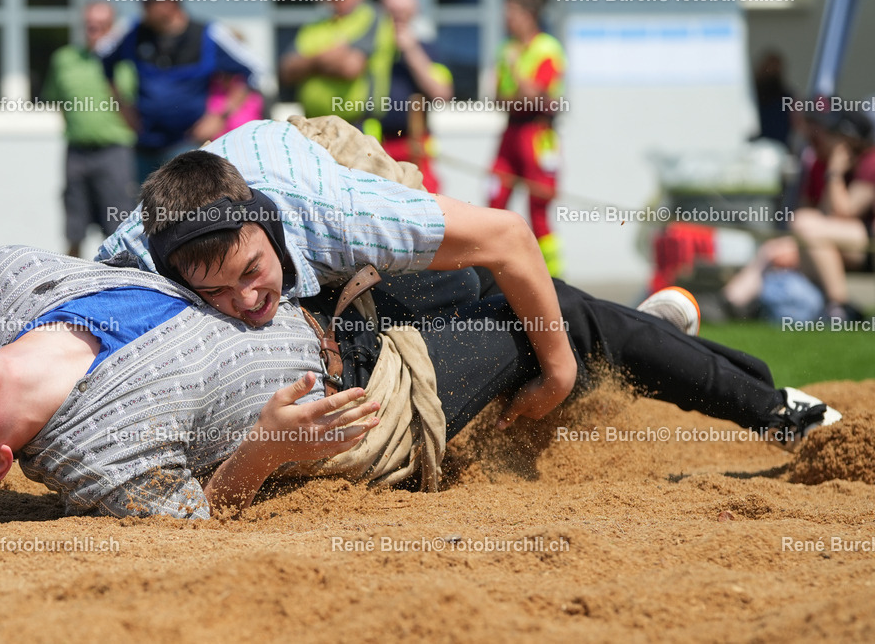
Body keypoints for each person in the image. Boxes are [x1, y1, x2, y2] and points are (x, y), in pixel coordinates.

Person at [0, 245, 841, 519]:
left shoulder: (2, 286)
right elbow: (199, 512)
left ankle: (665, 346)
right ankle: (790, 416)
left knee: (536, 284)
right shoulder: (90, 458)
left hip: (327, 296)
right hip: (368, 391)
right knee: (558, 322)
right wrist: (267, 450)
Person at [99, 116, 579, 421]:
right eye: (215, 290)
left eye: (250, 272)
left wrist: (558, 376)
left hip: (325, 155)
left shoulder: (340, 218)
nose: (245, 299)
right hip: (224, 172)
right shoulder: (131, 259)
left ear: (271, 233)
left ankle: (582, 337)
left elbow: (510, 235)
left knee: (465, 279)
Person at [99, 0, 264, 182]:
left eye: (148, 1)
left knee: (187, 212)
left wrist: (219, 116)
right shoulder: (133, 32)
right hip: (144, 146)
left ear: (171, 2)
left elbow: (254, 70)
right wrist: (121, 106)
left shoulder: (209, 33)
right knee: (147, 212)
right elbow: (103, 59)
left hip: (189, 147)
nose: (142, 6)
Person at [42, 0, 137, 257]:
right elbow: (57, 99)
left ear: (112, 27)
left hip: (115, 152)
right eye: (89, 26)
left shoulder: (128, 62)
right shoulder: (64, 60)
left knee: (119, 227)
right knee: (74, 226)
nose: (94, 32)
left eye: (101, 26)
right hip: (76, 152)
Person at [487, 0, 566, 277]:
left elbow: (536, 95)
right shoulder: (505, 49)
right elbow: (498, 98)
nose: (506, 19)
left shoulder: (547, 48)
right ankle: (494, 272)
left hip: (538, 134)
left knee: (539, 208)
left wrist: (517, 74)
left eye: (512, 13)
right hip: (511, 131)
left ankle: (553, 277)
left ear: (529, 16)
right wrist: (520, 91)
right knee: (495, 201)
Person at [278, 0, 396, 126]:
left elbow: (350, 67)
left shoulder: (373, 16)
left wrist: (308, 63)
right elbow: (286, 71)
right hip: (314, 128)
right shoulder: (315, 24)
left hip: (358, 128)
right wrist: (324, 59)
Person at [790, 111, 875, 321]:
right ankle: (836, 308)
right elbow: (826, 215)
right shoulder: (828, 165)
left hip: (869, 243)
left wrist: (834, 172)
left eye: (831, 134)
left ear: (848, 141)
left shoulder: (870, 162)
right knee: (804, 231)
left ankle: (839, 305)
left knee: (804, 224)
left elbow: (844, 212)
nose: (823, 137)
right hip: (855, 240)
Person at [375, 0, 453, 193]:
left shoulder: (427, 49)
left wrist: (411, 51)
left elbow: (442, 93)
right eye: (392, 13)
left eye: (403, 13)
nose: (397, 19)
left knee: (428, 202)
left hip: (416, 142)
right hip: (375, 143)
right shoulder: (371, 50)